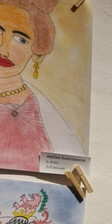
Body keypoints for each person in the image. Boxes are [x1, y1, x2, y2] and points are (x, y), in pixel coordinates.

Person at [0, 0, 85, 172]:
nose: (4, 50)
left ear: (37, 53)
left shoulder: (40, 108)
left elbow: (76, 165)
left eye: (21, 39)